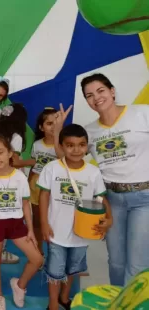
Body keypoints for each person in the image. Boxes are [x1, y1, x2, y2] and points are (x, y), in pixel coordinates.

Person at [53, 73, 149, 286]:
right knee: (116, 262)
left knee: (138, 263)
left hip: (144, 199)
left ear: (112, 91)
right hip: (111, 201)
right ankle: (117, 301)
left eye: (100, 91)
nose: (96, 98)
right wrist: (58, 129)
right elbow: (66, 159)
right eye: (89, 95)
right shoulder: (91, 131)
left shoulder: (142, 113)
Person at [38, 124, 113, 310]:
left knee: (73, 269)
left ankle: (64, 297)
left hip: (81, 233)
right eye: (70, 145)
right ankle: (53, 304)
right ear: (62, 146)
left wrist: (109, 217)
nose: (76, 149)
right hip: (56, 231)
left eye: (81, 144)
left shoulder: (93, 172)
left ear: (87, 147)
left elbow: (101, 198)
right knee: (55, 271)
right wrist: (44, 223)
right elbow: (43, 196)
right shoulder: (52, 168)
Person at [0, 131, 43, 310]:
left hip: (16, 224)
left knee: (37, 259)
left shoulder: (20, 177)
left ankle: (19, 285)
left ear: (9, 153)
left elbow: (25, 204)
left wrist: (30, 229)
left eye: (0, 152)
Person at [0, 103, 35, 265]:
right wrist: (33, 161)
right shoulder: (15, 136)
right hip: (6, 180)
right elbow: (14, 162)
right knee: (6, 212)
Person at [28, 108, 59, 256]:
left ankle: (55, 253)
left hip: (54, 187)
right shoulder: (37, 144)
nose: (53, 126)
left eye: (56, 123)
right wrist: (27, 186)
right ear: (41, 127)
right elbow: (34, 167)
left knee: (54, 220)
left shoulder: (62, 145)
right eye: (49, 123)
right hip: (36, 184)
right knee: (37, 222)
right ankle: (38, 252)